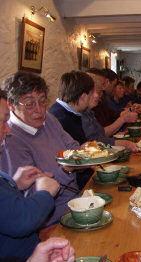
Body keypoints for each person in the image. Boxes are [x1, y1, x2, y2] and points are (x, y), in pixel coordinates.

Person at [0, 72, 81, 227]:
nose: (39, 110)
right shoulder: (10, 141)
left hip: (76, 202)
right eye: (30, 104)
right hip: (52, 222)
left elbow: (72, 146)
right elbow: (31, 202)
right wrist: (65, 171)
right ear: (12, 105)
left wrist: (83, 153)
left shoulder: (48, 119)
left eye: (43, 101)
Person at [0, 89, 60, 259]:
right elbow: (22, 219)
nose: (8, 129)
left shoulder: (51, 121)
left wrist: (14, 184)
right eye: (3, 121)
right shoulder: (15, 142)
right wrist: (45, 192)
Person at [81, 74, 138, 151]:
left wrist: (130, 110)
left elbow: (102, 133)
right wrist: (121, 143)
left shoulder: (90, 111)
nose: (99, 95)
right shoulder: (83, 113)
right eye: (98, 91)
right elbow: (95, 141)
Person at [49, 71, 94, 144]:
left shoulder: (65, 111)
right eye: (91, 95)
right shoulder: (62, 120)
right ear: (83, 97)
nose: (92, 98)